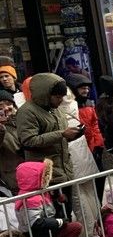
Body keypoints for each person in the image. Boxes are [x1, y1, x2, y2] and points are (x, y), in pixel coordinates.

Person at [14, 73, 81, 228]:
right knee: (52, 218)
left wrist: (71, 135)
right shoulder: (27, 111)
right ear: (46, 94)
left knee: (66, 215)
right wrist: (61, 134)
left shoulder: (55, 109)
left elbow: (59, 135)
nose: (60, 101)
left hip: (64, 171)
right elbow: (28, 140)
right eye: (57, 97)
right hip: (45, 176)